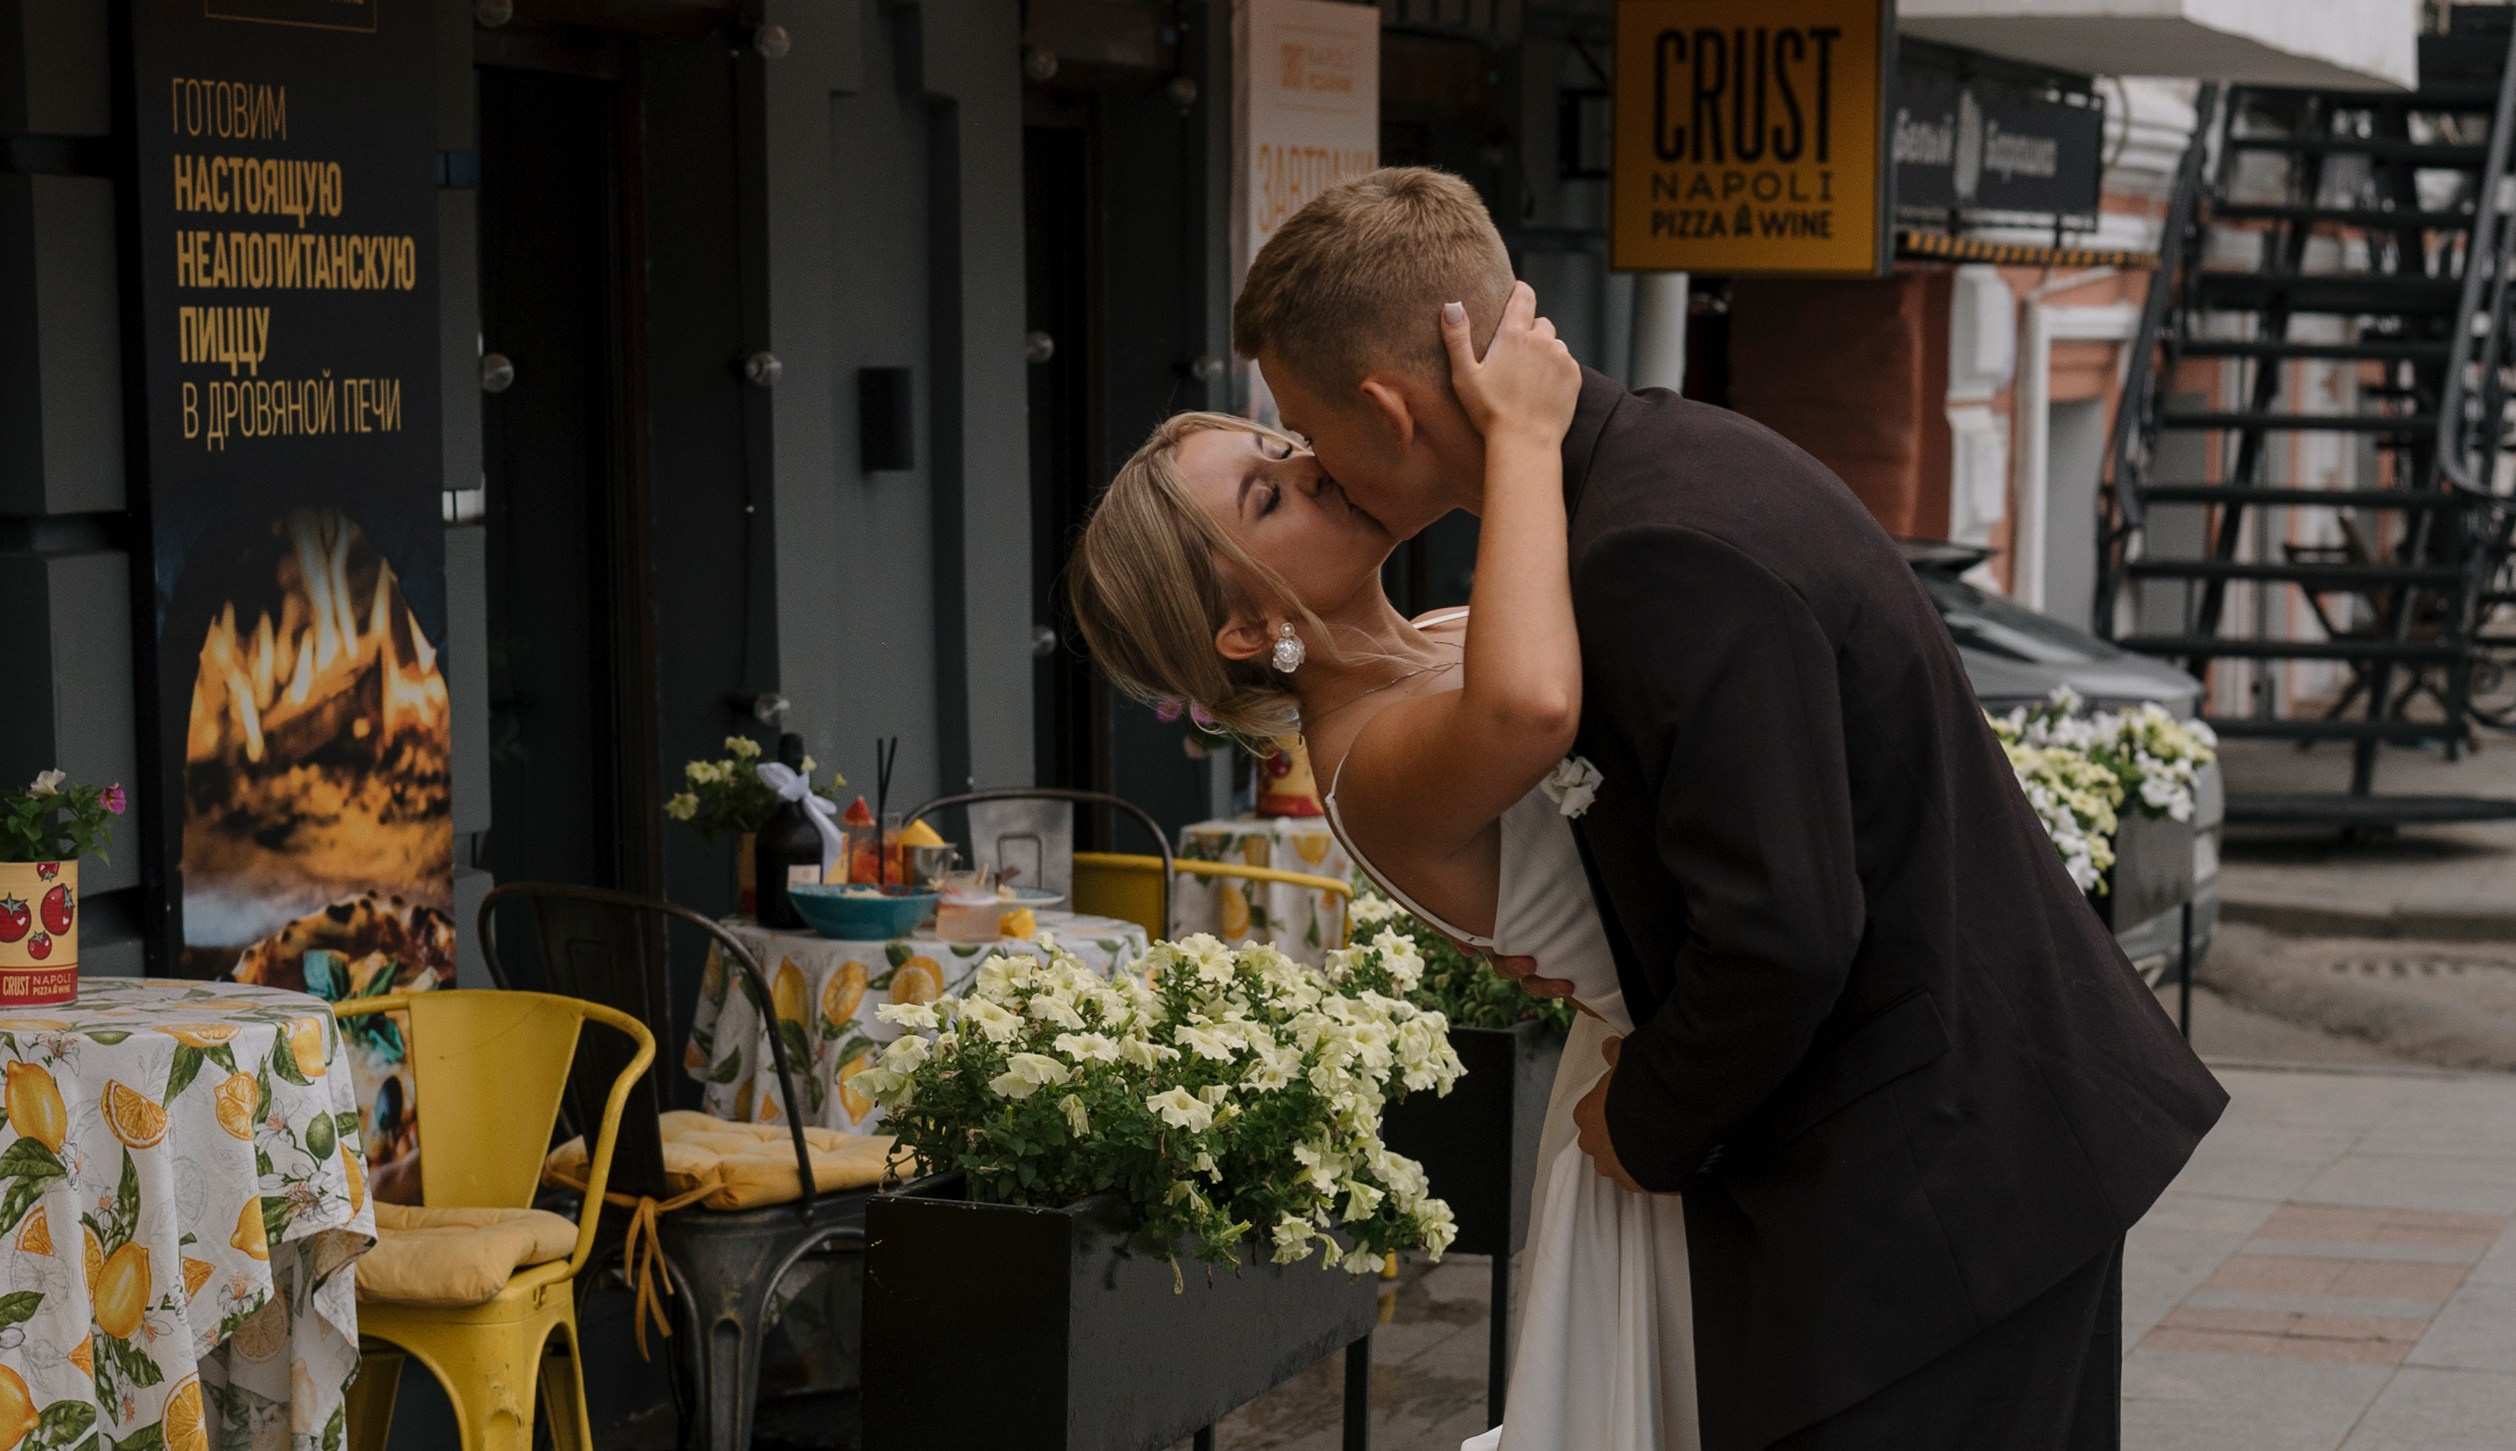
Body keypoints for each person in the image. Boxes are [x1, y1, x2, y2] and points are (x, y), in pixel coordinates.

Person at [1210, 166, 2229, 1450]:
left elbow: (1783, 927)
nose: (1315, 465)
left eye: (1306, 431)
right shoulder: (1651, 471)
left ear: (1383, 405)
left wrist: (1645, 1124)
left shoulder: (1647, 547)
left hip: (1934, 1189)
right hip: (1936, 1161)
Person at [1071, 281, 1697, 1448]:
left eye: (1284, 443)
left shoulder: (1453, 627)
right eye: (1266, 497)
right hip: (1674, 1123)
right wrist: (1516, 433)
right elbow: (1522, 711)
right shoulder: (1360, 762)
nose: (1310, 467)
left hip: (1700, 1070)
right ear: (1247, 631)